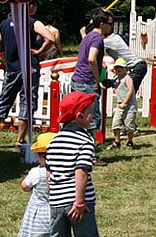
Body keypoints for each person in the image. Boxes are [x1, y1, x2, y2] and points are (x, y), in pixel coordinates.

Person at [0, 0, 55, 148]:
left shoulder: (4, 23)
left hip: (11, 67)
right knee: (27, 102)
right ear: (29, 6)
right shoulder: (33, 22)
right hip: (29, 67)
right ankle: (20, 140)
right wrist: (40, 51)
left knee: (4, 100)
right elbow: (51, 38)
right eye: (34, 5)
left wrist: (10, 49)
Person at [46, 91, 99, 236]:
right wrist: (80, 202)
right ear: (79, 116)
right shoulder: (85, 141)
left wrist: (53, 195)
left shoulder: (53, 141)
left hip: (57, 201)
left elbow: (49, 174)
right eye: (90, 112)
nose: (93, 115)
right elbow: (81, 171)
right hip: (78, 203)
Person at [71, 9, 112, 156]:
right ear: (102, 24)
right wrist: (97, 79)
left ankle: (76, 149)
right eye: (109, 24)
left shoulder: (88, 36)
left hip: (77, 79)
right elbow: (91, 58)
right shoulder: (97, 39)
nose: (110, 27)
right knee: (91, 119)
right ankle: (90, 154)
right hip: (87, 82)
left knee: (78, 116)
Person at [18, 132, 56, 237]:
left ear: (39, 155)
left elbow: (24, 186)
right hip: (55, 211)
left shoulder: (36, 172)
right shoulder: (61, 171)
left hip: (38, 213)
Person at [103, 28, 148, 95]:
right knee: (124, 88)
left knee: (127, 92)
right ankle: (112, 83)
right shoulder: (116, 37)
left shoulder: (107, 41)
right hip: (137, 66)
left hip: (136, 67)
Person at [106, 58, 137, 150]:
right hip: (119, 105)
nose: (118, 69)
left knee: (129, 125)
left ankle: (130, 141)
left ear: (126, 69)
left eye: (121, 67)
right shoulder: (116, 78)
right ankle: (117, 142)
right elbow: (113, 84)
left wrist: (125, 102)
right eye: (117, 67)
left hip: (129, 106)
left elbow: (130, 90)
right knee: (115, 124)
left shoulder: (128, 78)